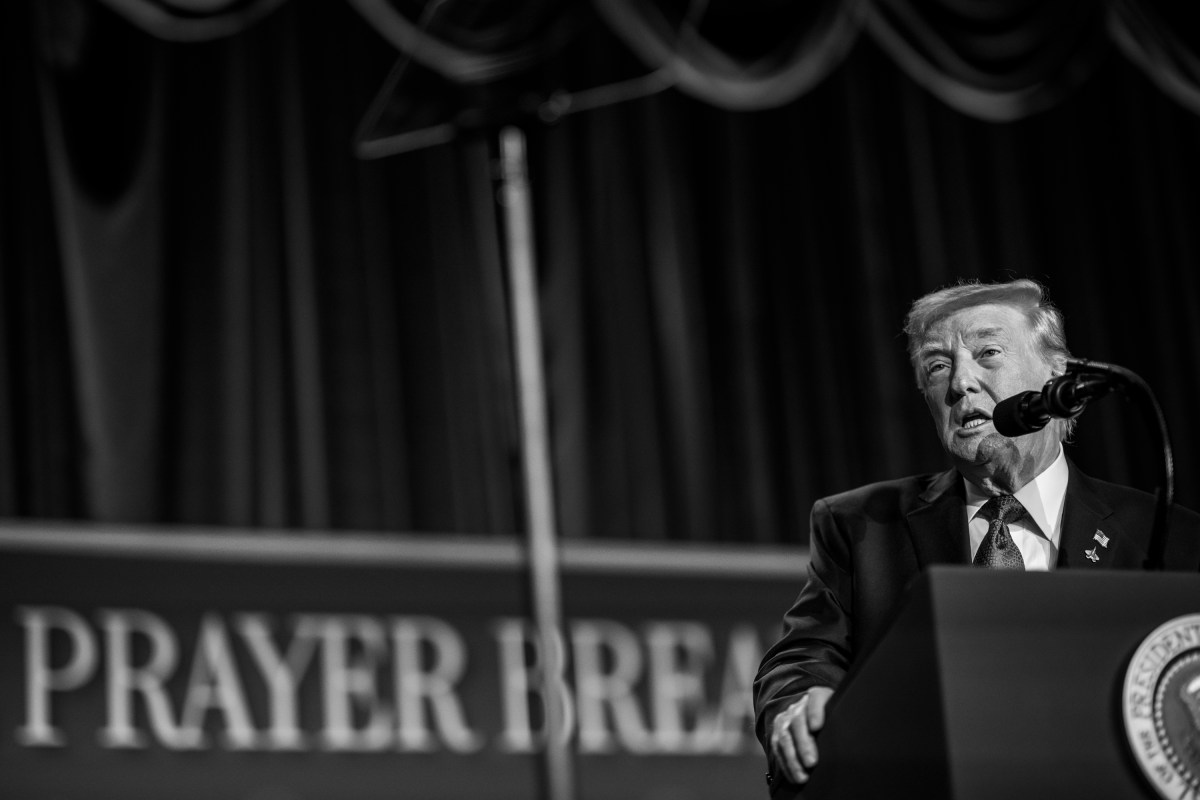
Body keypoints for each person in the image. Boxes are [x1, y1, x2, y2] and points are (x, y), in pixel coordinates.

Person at [752, 278, 1200, 793]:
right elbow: (802, 658)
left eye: (988, 352)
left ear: (1058, 376)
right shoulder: (862, 527)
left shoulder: (1171, 537)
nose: (961, 382)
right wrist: (793, 708)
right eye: (938, 366)